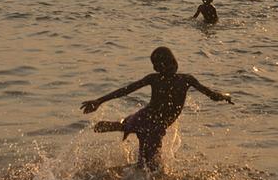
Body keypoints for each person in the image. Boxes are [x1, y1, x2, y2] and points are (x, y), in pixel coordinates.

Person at [81, 47, 233, 171]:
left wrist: (223, 96)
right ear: (158, 67)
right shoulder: (176, 79)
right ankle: (122, 129)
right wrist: (100, 100)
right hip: (154, 124)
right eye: (167, 63)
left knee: (145, 159)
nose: (172, 65)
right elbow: (127, 89)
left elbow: (211, 95)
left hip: (146, 118)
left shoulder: (179, 79)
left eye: (172, 61)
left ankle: (120, 126)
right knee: (152, 166)